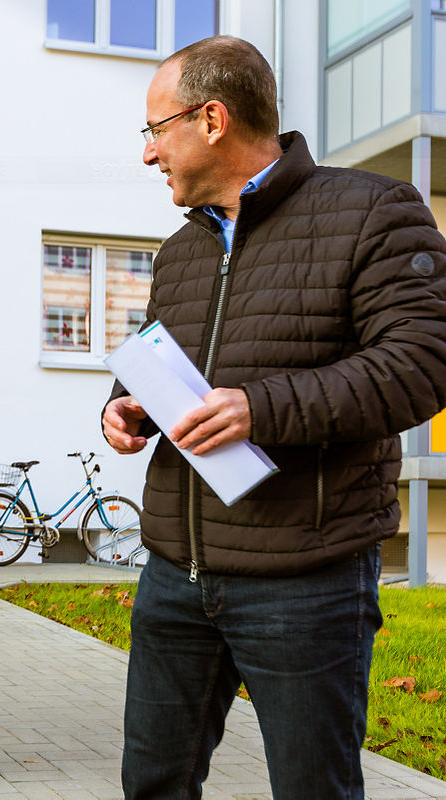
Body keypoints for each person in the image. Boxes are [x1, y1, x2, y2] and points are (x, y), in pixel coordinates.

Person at [102, 36, 446, 799]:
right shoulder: (177, 253)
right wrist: (128, 410)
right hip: (173, 573)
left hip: (305, 578)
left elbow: (420, 366)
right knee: (153, 783)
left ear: (212, 118)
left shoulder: (371, 211)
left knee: (311, 789)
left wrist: (259, 409)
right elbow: (173, 368)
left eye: (154, 130)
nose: (149, 154)